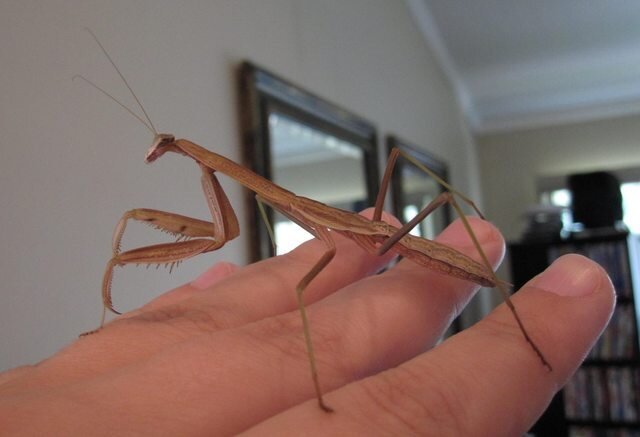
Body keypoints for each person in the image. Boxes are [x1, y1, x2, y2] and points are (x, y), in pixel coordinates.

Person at [0, 212, 615, 435]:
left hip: (415, 249)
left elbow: (221, 234)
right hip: (403, 247)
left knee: (298, 288)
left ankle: (520, 315)